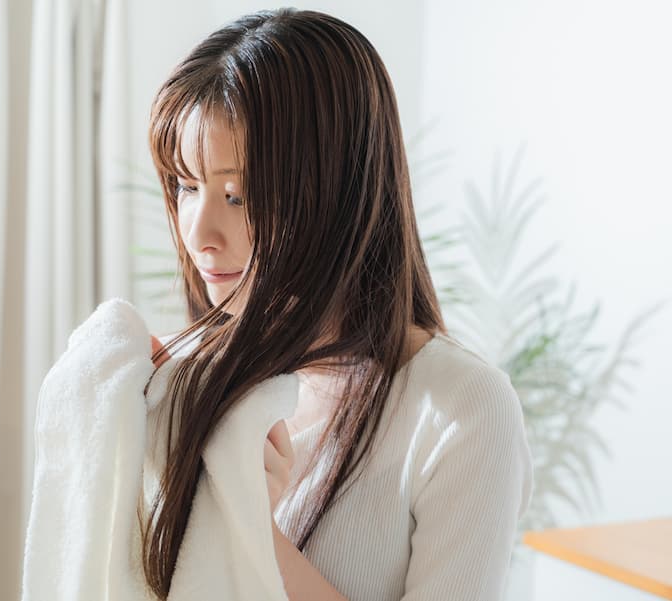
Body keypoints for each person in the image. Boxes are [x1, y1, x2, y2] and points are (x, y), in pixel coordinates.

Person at [144, 8, 533, 601]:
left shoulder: (462, 408)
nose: (198, 234)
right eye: (186, 186)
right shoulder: (198, 371)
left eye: (237, 194)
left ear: (337, 193)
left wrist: (251, 530)